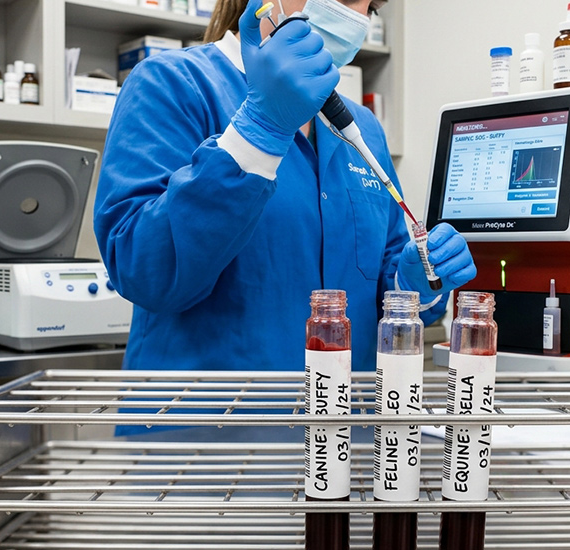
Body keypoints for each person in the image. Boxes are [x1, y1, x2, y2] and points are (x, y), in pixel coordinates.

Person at [94, 0, 477, 376]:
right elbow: (144, 272)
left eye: (370, 8)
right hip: (208, 427)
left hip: (341, 428)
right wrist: (259, 130)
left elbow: (385, 275)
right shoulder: (172, 83)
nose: (357, 19)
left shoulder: (362, 130)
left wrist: (413, 285)